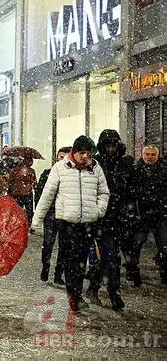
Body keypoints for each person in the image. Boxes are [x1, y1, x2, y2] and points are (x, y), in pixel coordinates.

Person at [32, 135, 110, 312]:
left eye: (88, 153)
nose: (85, 157)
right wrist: (36, 220)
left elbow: (104, 193)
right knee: (70, 260)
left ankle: (76, 292)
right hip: (67, 222)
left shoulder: (96, 169)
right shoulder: (60, 168)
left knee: (82, 260)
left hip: (88, 222)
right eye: (82, 153)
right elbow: (47, 196)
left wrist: (99, 210)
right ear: (74, 152)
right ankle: (74, 295)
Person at [86, 129, 132, 310]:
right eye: (108, 146)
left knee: (109, 258)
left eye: (113, 145)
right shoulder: (96, 164)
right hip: (100, 219)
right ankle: (112, 293)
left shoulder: (125, 163)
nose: (111, 149)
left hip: (118, 219)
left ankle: (100, 288)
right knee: (108, 258)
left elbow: (131, 189)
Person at [126, 144, 167, 286]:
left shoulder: (163, 170)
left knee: (164, 245)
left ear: (158, 155)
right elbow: (130, 192)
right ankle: (132, 271)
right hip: (141, 216)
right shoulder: (135, 170)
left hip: (160, 216)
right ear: (142, 155)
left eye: (152, 154)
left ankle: (165, 273)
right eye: (147, 154)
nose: (149, 157)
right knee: (135, 246)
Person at [34, 146, 71, 284]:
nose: (63, 160)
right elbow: (40, 194)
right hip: (50, 213)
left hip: (65, 214)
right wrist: (40, 212)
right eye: (61, 157)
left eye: (66, 157)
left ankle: (58, 273)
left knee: (64, 245)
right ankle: (46, 267)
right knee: (48, 242)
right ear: (56, 158)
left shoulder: (71, 175)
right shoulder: (48, 173)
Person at [8, 157, 37, 223]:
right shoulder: (31, 171)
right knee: (29, 212)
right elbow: (34, 183)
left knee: (17, 212)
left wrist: (9, 193)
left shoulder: (14, 170)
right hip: (28, 194)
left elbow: (10, 182)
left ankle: (17, 224)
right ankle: (28, 225)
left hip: (16, 194)